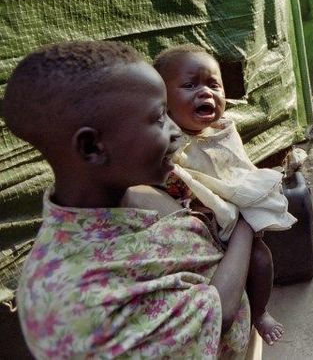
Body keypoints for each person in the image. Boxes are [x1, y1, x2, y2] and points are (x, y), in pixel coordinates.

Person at [5, 41, 258, 358]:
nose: (176, 131)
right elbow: (217, 314)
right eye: (159, 117)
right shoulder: (78, 306)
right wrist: (247, 223)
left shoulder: (137, 196)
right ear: (92, 148)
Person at [154, 45, 296, 346]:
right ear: (163, 101)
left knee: (261, 260)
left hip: (234, 216)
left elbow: (236, 168)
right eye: (190, 85)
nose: (205, 92)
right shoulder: (168, 143)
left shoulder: (222, 131)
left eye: (213, 84)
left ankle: (260, 311)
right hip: (201, 228)